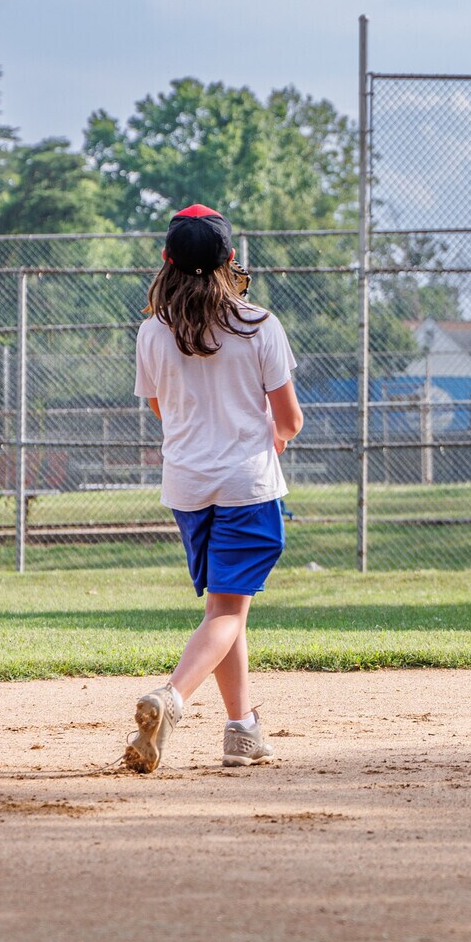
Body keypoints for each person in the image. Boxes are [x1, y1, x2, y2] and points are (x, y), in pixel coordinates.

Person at [123, 204, 303, 773]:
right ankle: (171, 699)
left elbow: (162, 409)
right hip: (246, 484)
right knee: (227, 609)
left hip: (187, 487)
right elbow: (290, 420)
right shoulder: (258, 324)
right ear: (231, 260)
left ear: (166, 262)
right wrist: (263, 443)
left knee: (224, 608)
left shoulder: (153, 331)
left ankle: (242, 730)